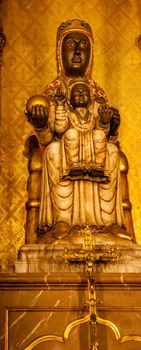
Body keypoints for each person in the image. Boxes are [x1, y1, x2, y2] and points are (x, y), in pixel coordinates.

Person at [25, 19, 132, 242]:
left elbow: (110, 138)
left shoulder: (98, 94)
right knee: (54, 150)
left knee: (113, 154)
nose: (76, 52)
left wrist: (111, 125)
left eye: (83, 47)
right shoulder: (52, 93)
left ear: (91, 54)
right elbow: (45, 140)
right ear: (59, 52)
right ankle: (61, 220)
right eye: (70, 45)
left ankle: (110, 223)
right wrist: (42, 123)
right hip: (63, 155)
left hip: (94, 152)